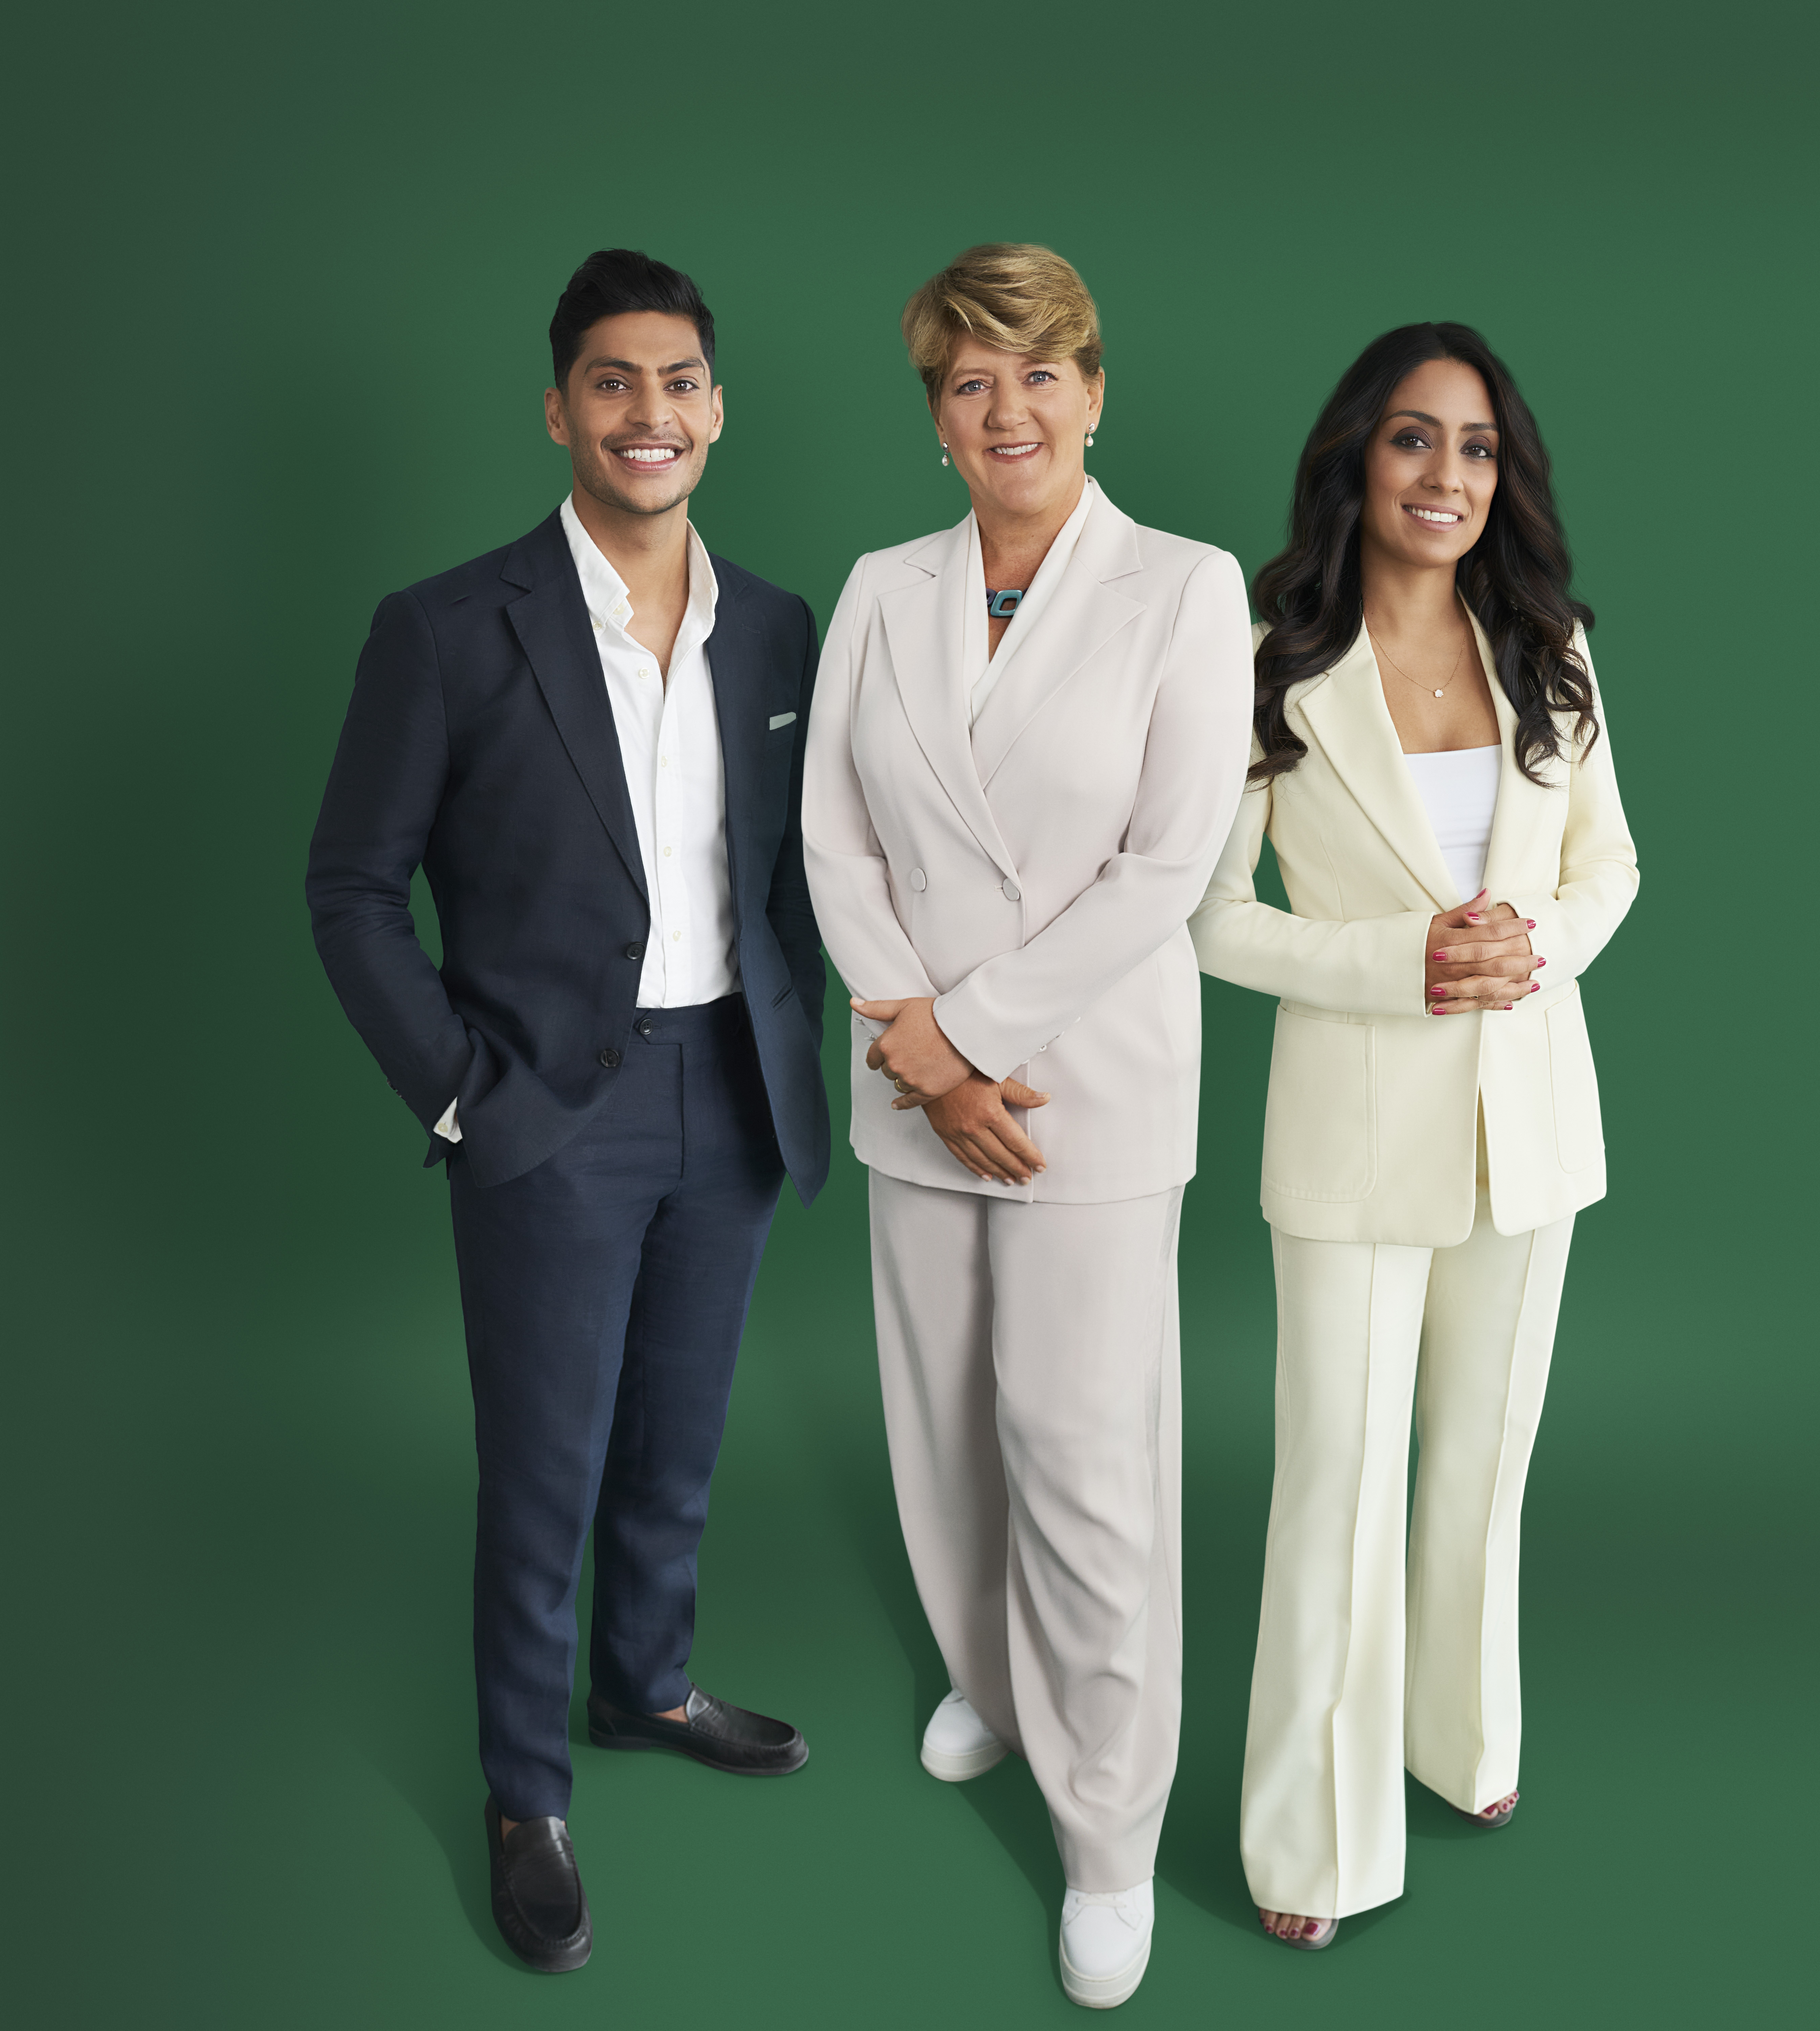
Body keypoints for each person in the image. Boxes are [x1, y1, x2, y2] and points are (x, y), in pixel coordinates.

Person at [306, 249, 828, 1973]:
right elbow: (353, 891)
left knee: (675, 1450)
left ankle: (645, 1686)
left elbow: (794, 878)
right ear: (559, 410)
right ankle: (526, 1793)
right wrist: (463, 1100)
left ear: (716, 410)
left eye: (679, 381)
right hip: (543, 1115)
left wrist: (796, 1028)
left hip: (729, 1098)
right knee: (546, 1474)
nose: (650, 413)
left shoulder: (776, 626)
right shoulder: (448, 628)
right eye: (614, 382)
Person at [802, 243, 1251, 2008]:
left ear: (1094, 388)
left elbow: (1169, 864)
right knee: (941, 1428)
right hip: (919, 1095)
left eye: (1039, 371)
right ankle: (992, 1677)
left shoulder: (1184, 589)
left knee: (1082, 1462)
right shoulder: (880, 588)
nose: (1008, 409)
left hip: (1086, 1097)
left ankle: (1109, 1835)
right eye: (968, 382)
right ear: (934, 417)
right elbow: (832, 834)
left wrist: (970, 1041)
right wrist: (921, 1060)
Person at [1188, 323, 1638, 1949]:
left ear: (1499, 480)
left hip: (1534, 1122)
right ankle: (1310, 1846)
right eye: (1411, 441)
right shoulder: (1267, 657)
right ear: (1353, 463)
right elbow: (1210, 918)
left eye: (1476, 449)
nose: (1446, 476)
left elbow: (1611, 871)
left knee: (1487, 1463)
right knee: (1339, 1480)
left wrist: (1535, 948)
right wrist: (1404, 963)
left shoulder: (1553, 647)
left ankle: (1463, 1742)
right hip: (1354, 1125)